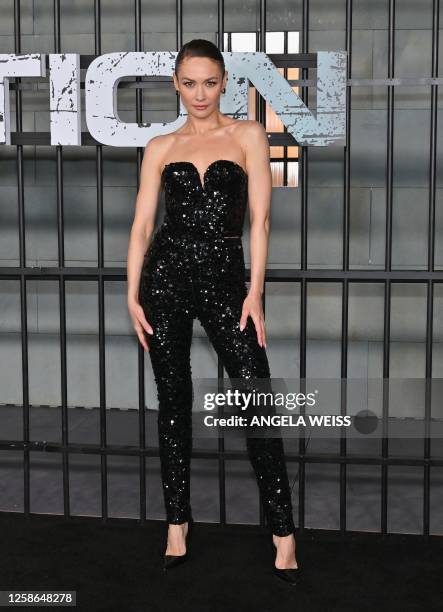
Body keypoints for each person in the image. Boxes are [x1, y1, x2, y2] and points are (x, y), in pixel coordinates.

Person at [127, 38, 300, 584]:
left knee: (255, 397)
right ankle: (176, 523)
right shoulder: (160, 146)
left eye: (209, 82)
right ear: (176, 85)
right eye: (188, 83)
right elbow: (141, 227)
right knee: (173, 401)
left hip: (228, 282)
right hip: (166, 279)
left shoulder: (248, 134)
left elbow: (262, 222)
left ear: (224, 82)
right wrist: (131, 294)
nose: (199, 94)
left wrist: (255, 292)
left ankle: (283, 533)